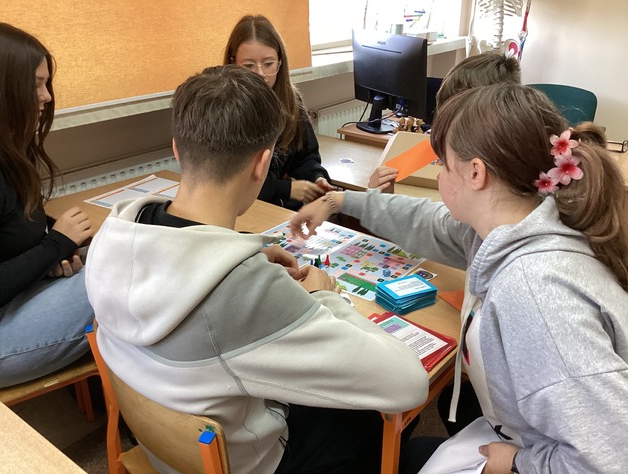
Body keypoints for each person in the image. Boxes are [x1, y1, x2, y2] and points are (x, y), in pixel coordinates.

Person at [85, 65, 429, 474]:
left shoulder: (116, 233)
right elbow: (409, 384)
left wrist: (246, 253)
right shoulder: (244, 291)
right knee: (380, 417)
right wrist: (325, 297)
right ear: (262, 164)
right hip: (247, 462)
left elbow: (183, 260)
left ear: (177, 149)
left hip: (164, 444)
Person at [290, 83, 628, 473]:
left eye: (443, 164)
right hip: (532, 436)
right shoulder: (516, 222)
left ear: (475, 172)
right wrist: (339, 200)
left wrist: (517, 463)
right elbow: (425, 220)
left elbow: (610, 458)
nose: (439, 173)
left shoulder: (534, 291)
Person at [0, 22, 94, 389]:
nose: (47, 96)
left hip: (10, 304)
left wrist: (46, 263)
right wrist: (55, 245)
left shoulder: (8, 154)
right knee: (118, 280)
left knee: (115, 257)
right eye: (36, 84)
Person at [223, 14, 334, 210]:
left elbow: (305, 157)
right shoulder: (224, 108)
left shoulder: (290, 100)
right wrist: (285, 189)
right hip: (242, 209)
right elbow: (231, 179)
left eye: (268, 64)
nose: (260, 74)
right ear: (233, 63)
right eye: (248, 65)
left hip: (280, 208)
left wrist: (317, 178)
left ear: (280, 62)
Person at [368, 52, 521, 193]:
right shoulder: (433, 147)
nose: (448, 128)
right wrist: (381, 195)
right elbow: (387, 182)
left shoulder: (509, 168)